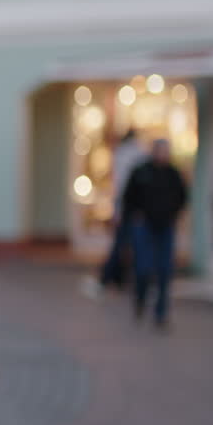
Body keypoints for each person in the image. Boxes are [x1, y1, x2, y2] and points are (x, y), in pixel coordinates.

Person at [121, 138, 188, 328]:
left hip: (165, 227)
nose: (163, 154)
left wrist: (174, 215)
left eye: (166, 151)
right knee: (143, 268)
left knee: (165, 270)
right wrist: (133, 218)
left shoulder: (174, 174)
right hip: (144, 227)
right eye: (161, 150)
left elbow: (183, 197)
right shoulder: (141, 172)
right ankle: (140, 299)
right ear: (154, 151)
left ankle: (161, 312)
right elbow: (128, 198)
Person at [85, 129, 145, 298]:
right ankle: (123, 280)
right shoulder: (139, 154)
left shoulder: (124, 155)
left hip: (128, 208)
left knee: (122, 245)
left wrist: (117, 211)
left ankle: (111, 279)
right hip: (135, 210)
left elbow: (120, 185)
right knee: (130, 246)